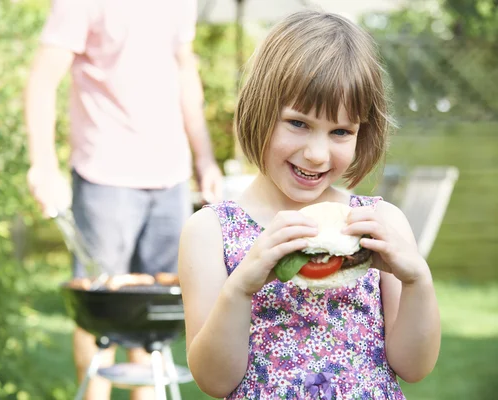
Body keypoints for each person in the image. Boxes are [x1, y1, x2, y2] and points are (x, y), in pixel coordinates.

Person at [178, 11, 441, 400]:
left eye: (340, 132)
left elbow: (413, 366)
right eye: (298, 123)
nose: (317, 154)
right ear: (260, 109)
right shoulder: (210, 232)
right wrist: (240, 289)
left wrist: (417, 280)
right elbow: (214, 382)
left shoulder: (377, 222)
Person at [24, 0, 223, 399]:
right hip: (105, 174)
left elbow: (185, 73)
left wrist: (205, 159)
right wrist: (43, 166)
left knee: (153, 317)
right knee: (100, 313)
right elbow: (42, 80)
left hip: (170, 177)